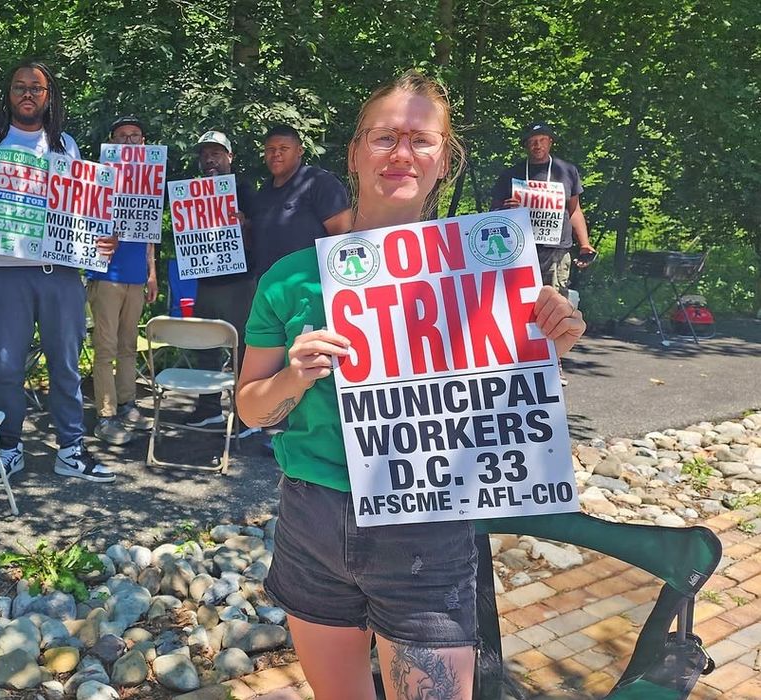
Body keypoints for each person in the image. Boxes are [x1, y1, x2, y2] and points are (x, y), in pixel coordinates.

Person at [236, 71, 586, 700]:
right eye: (384, 137)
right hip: (313, 520)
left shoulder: (490, 275)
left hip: (430, 523)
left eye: (421, 140)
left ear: (444, 160)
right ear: (354, 152)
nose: (401, 154)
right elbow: (253, 410)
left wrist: (545, 347)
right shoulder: (290, 280)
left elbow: (505, 407)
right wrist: (295, 374)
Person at [0, 59, 116, 483]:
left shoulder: (66, 146)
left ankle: (71, 448)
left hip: (60, 275)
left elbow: (82, 213)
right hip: (4, 274)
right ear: (8, 94)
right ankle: (9, 447)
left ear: (48, 96)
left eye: (36, 88)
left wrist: (101, 240)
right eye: (19, 86)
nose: (27, 93)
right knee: (7, 366)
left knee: (65, 363)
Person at [180, 130, 258, 438]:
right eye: (204, 154)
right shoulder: (192, 191)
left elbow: (260, 231)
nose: (209, 159)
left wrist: (245, 223)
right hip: (206, 281)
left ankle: (246, 414)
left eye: (215, 153)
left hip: (239, 281)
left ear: (229, 157)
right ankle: (209, 408)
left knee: (243, 348)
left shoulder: (244, 189)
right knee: (206, 346)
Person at [87, 116, 157, 446]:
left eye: (135, 136)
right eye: (122, 137)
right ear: (112, 143)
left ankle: (128, 405)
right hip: (105, 275)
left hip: (135, 276)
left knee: (129, 346)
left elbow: (150, 232)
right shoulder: (97, 179)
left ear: (144, 142)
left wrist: (151, 272)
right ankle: (105, 416)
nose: (129, 142)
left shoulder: (150, 181)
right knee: (106, 348)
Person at [490, 122, 596, 295]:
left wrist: (584, 244)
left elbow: (575, 211)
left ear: (550, 142)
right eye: (532, 141)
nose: (537, 145)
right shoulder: (510, 175)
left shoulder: (567, 171)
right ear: (525, 145)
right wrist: (506, 210)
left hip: (557, 251)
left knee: (555, 302)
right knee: (519, 299)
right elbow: (492, 214)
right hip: (519, 250)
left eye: (542, 140)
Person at [247, 123, 352, 279]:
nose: (276, 154)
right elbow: (254, 242)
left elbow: (345, 237)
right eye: (270, 149)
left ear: (299, 151)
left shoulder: (319, 182)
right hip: (271, 289)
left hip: (310, 286)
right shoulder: (263, 192)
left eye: (283, 148)